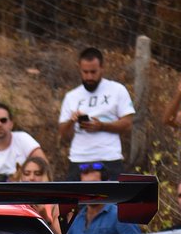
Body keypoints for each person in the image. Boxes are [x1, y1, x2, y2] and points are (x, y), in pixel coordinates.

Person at [57, 48, 135, 181]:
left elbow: (128, 124)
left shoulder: (117, 90)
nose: (89, 77)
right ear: (79, 69)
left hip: (109, 158)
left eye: (93, 72)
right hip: (79, 159)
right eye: (85, 72)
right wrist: (72, 121)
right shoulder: (71, 96)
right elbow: (64, 134)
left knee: (112, 201)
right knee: (75, 201)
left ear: (102, 68)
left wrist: (102, 126)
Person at [0, 102, 46, 182]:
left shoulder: (23, 139)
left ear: (11, 124)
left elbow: (44, 164)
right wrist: (5, 190)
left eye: (3, 120)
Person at [19, 156, 61, 234]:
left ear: (46, 176)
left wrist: (45, 219)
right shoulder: (14, 202)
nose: (31, 178)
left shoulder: (55, 206)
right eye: (27, 173)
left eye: (37, 174)